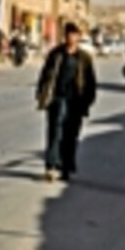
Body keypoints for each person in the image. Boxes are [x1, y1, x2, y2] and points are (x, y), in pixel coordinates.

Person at [36, 22, 96, 182]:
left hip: (76, 102)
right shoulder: (56, 54)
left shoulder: (84, 58)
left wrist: (87, 101)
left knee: (71, 135)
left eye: (74, 35)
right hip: (57, 98)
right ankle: (51, 166)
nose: (71, 38)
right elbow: (45, 76)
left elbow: (91, 82)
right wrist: (42, 95)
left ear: (78, 37)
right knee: (55, 132)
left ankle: (66, 166)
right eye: (68, 34)